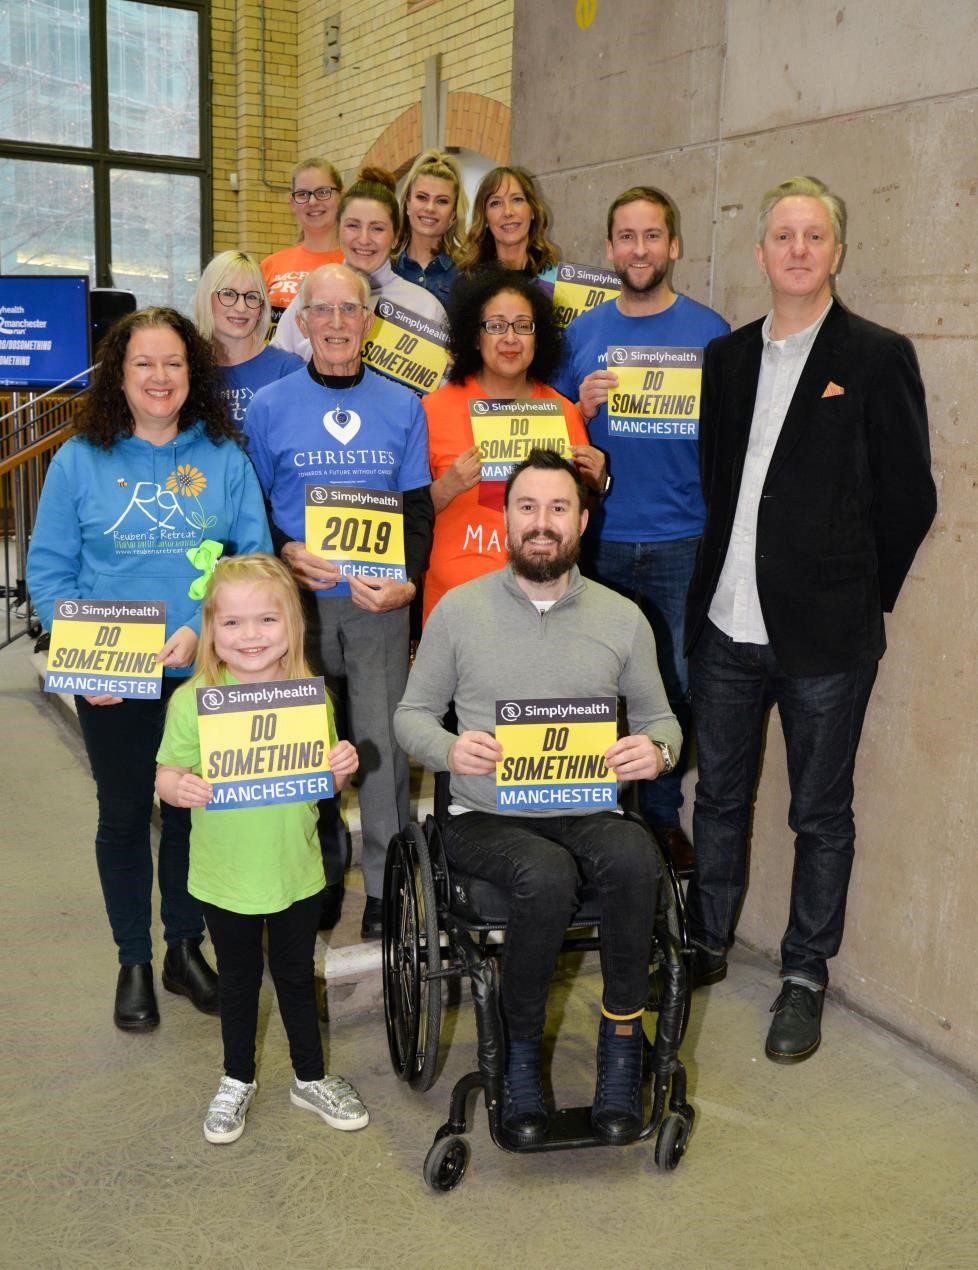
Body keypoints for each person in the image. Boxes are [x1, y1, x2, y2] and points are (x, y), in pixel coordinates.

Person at [683, 176, 937, 1063]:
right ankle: (707, 939)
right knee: (716, 796)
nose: (797, 249)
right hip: (725, 624)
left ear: (837, 251)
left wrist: (861, 596)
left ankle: (803, 975)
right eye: (782, 235)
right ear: (761, 254)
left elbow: (911, 496)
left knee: (820, 812)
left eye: (814, 236)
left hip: (827, 639)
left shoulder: (875, 355)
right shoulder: (727, 359)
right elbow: (721, 485)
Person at [395, 449, 681, 1147]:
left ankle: (621, 1041)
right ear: (506, 521)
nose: (542, 523)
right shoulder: (459, 611)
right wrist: (449, 749)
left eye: (559, 509)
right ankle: (519, 1052)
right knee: (545, 874)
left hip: (586, 806)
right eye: (527, 508)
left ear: (583, 521)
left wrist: (658, 750)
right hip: (483, 817)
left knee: (634, 856)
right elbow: (411, 717)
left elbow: (661, 720)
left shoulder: (624, 618)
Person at [26, 307, 273, 1030]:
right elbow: (50, 571)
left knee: (193, 810)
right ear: (119, 375)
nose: (160, 377)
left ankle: (183, 948)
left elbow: (252, 563)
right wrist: (81, 664)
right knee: (127, 814)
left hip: (203, 674)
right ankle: (133, 956)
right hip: (116, 677)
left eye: (173, 363)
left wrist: (203, 632)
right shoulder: (80, 459)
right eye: (144, 364)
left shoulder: (225, 457)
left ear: (191, 373)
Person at [246, 263, 433, 940]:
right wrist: (282, 550)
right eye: (320, 311)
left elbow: (416, 507)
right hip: (300, 606)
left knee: (381, 742)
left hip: (378, 602)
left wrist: (410, 578)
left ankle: (388, 881)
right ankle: (321, 868)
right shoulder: (269, 406)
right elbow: (253, 508)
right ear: (301, 322)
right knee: (309, 740)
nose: (334, 324)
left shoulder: (402, 403)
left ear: (368, 320)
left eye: (348, 311)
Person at [156, 554, 369, 1144]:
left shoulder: (310, 699)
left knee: (298, 976)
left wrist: (340, 771)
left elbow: (320, 784)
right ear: (212, 631)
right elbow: (165, 776)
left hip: (295, 870)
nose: (250, 636)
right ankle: (236, 1077)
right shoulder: (193, 701)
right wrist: (182, 787)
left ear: (292, 626)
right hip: (225, 876)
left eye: (266, 621)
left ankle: (310, 1076)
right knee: (239, 979)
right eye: (232, 624)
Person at [551, 186, 730, 875]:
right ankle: (595, 814)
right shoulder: (583, 334)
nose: (640, 249)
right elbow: (551, 425)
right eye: (626, 237)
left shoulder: (711, 332)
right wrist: (578, 405)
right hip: (598, 538)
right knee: (592, 685)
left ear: (674, 245)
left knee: (673, 688)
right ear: (609, 249)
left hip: (683, 537)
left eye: (652, 236)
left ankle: (658, 817)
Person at [423, 266, 605, 622]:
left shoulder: (563, 413)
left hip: (543, 605)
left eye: (524, 326)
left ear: (539, 339)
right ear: (475, 338)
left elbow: (578, 516)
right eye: (495, 325)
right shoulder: (431, 410)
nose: (510, 338)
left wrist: (597, 484)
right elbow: (409, 515)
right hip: (455, 607)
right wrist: (445, 488)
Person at [272, 167, 447, 362]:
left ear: (396, 237)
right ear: (338, 230)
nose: (364, 239)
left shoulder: (425, 308)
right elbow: (276, 370)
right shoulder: (308, 299)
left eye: (377, 228)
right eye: (353, 226)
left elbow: (441, 384)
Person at [192, 250, 303, 428]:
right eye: (228, 294)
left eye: (251, 297)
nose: (241, 307)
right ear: (206, 297)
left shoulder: (288, 371)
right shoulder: (189, 369)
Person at [260, 157, 345, 334]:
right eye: (303, 194)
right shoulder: (270, 266)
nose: (312, 202)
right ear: (292, 204)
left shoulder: (357, 263)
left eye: (322, 192)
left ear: (341, 197)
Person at [392, 149, 468, 311]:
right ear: (407, 204)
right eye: (422, 197)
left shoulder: (467, 274)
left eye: (442, 201)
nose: (430, 208)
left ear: (453, 213)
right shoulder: (385, 268)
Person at [456, 165, 558, 278]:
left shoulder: (569, 281)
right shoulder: (468, 283)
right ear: (484, 218)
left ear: (533, 211)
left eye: (517, 200)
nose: (508, 212)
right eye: (496, 203)